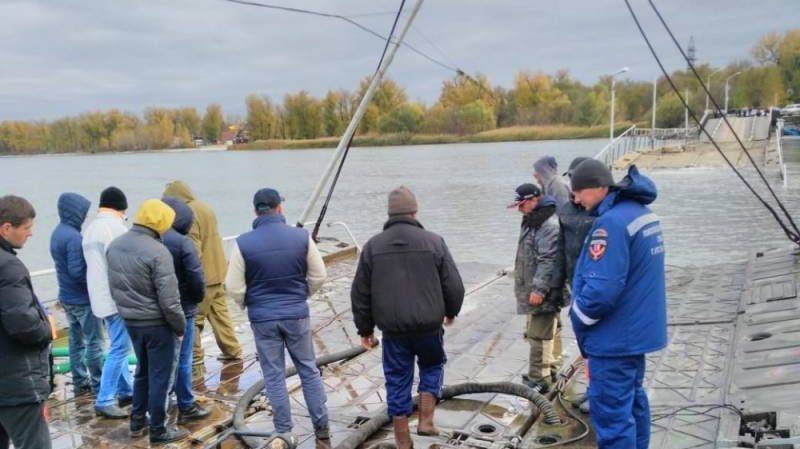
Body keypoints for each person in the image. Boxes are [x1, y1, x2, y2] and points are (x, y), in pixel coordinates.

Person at [351, 186, 464, 449]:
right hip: (428, 326)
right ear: (415, 211)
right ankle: (426, 420)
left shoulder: (372, 246)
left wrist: (364, 329)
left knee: (397, 377)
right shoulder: (434, 241)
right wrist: (450, 311)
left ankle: (403, 437)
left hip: (393, 331)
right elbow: (454, 285)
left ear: (390, 213)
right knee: (432, 365)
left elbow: (360, 293)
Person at [569, 160, 667, 449]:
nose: (576, 200)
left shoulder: (610, 223)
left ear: (600, 187)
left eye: (579, 192)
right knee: (633, 404)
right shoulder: (640, 213)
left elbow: (601, 290)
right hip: (635, 334)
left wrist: (578, 317)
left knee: (612, 417)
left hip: (614, 339)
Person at [225, 188, 329, 448]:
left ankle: (284, 431)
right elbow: (319, 275)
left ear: (255, 211)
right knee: (308, 369)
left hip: (263, 318)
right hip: (296, 315)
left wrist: (249, 303)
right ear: (279, 208)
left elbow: (233, 286)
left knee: (273, 375)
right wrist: (302, 294)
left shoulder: (243, 243)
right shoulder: (301, 237)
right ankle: (322, 429)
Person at [107, 199, 188, 445]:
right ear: (161, 221)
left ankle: (137, 421)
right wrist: (180, 326)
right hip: (157, 324)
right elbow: (170, 300)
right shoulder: (157, 251)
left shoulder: (115, 245)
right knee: (160, 378)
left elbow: (114, 286)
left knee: (142, 371)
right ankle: (159, 430)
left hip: (131, 321)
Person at [163, 181, 242, 376]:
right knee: (221, 316)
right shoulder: (206, 207)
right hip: (218, 271)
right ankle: (232, 351)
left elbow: (193, 250)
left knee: (194, 320)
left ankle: (196, 365)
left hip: (203, 277)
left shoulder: (186, 214)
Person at [0, 196, 53, 449]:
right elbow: (25, 325)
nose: (30, 235)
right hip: (15, 383)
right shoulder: (9, 266)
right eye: (27, 228)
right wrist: (47, 328)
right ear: (6, 228)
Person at [82, 186, 133, 418]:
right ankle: (105, 399)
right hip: (116, 298)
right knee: (120, 348)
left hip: (99, 297)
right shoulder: (116, 228)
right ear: (121, 208)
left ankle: (125, 389)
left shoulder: (91, 228)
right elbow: (125, 266)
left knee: (116, 344)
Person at [161, 196, 210, 423]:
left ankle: (163, 399)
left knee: (161, 358)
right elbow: (196, 278)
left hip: (157, 308)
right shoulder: (182, 242)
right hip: (184, 307)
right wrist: (196, 299)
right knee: (184, 357)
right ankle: (186, 404)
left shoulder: (153, 238)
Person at [509, 184, 562, 394]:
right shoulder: (533, 221)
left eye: (522, 205)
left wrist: (539, 289)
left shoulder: (547, 225)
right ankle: (549, 369)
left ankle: (539, 378)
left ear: (534, 200)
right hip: (538, 287)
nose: (519, 209)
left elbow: (548, 260)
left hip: (546, 291)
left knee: (539, 334)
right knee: (550, 330)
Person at [49, 192, 104, 396]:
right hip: (82, 299)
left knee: (75, 342)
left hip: (66, 297)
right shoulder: (73, 237)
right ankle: (99, 384)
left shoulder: (57, 232)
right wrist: (97, 277)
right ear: (74, 212)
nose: (84, 216)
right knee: (94, 343)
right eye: (83, 212)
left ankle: (80, 381)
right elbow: (77, 271)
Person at [558, 157, 597, 414]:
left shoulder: (601, 211)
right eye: (571, 181)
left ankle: (599, 393)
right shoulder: (566, 211)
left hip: (597, 286)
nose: (573, 189)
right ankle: (593, 389)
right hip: (575, 285)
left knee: (598, 344)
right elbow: (560, 248)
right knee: (584, 344)